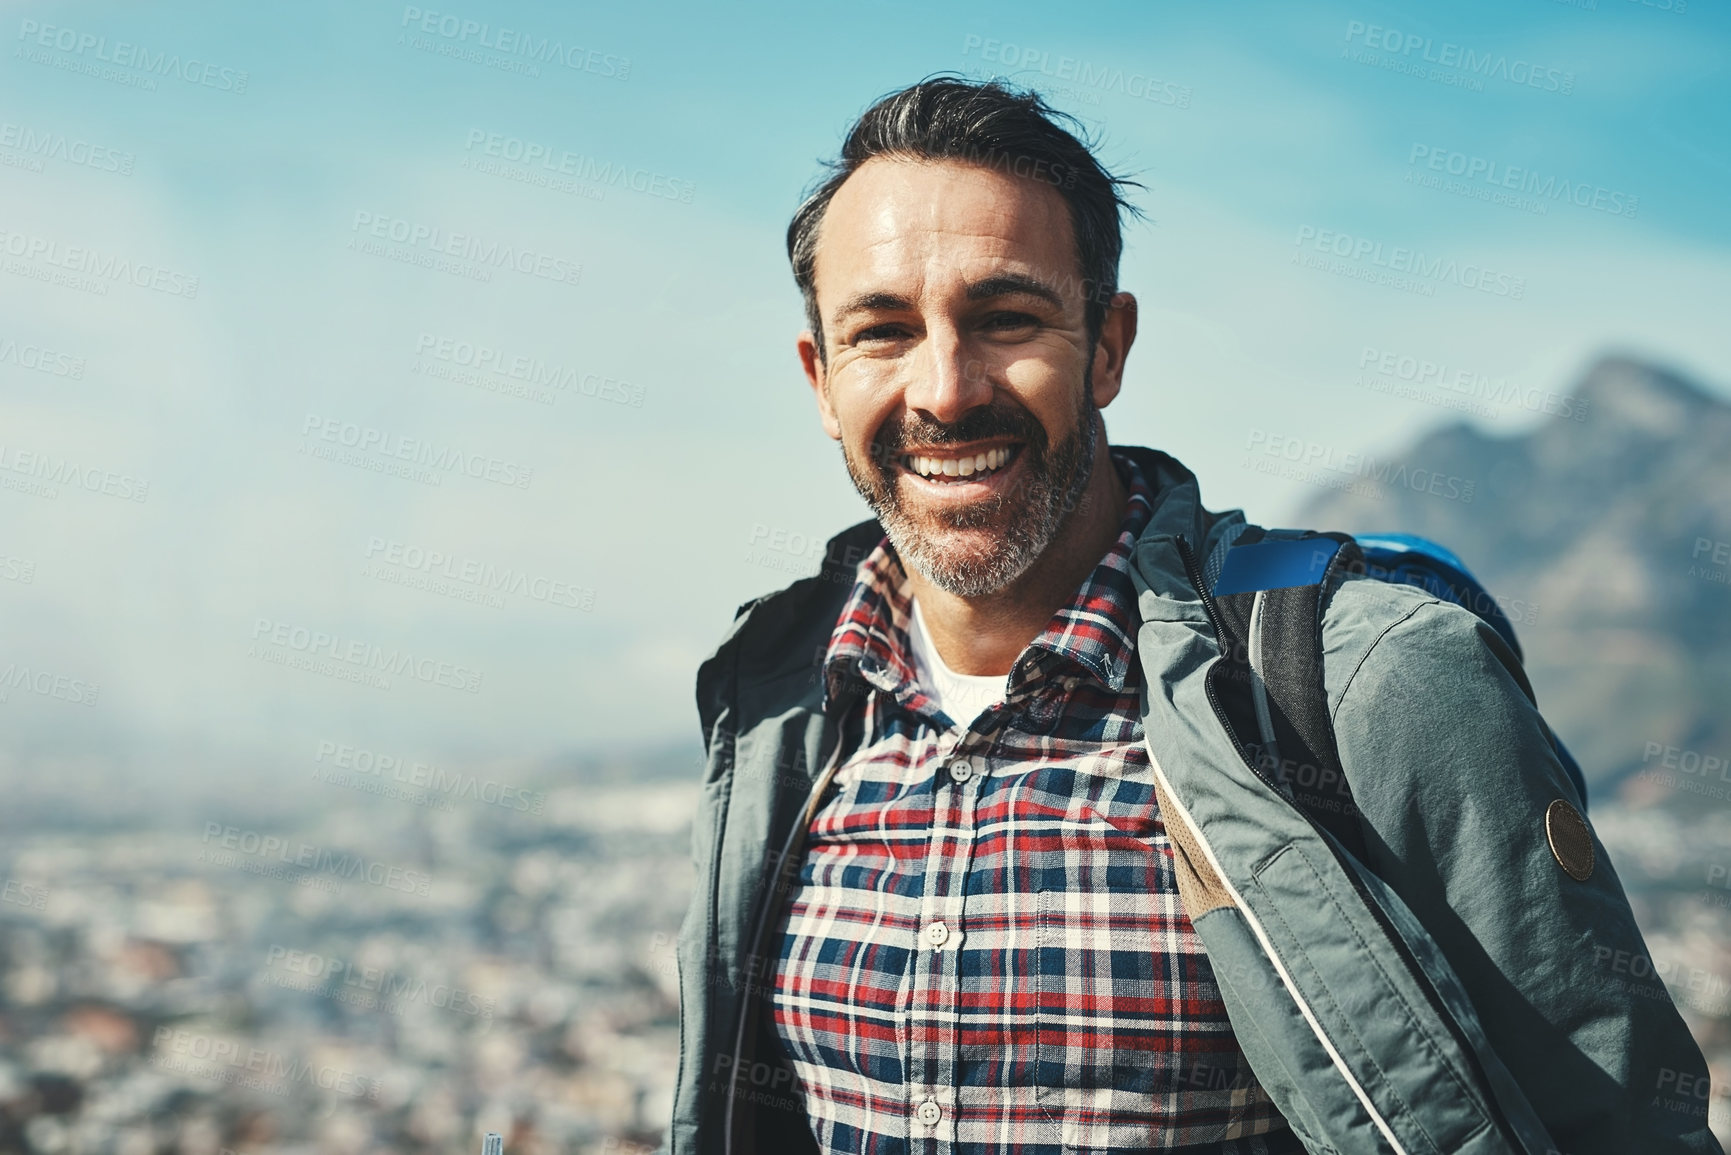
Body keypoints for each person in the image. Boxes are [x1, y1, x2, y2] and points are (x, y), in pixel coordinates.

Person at [667, 76, 1720, 1155]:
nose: (945, 389)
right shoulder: (777, 713)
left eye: (1006, 319)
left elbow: (1626, 1129)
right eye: (882, 331)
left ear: (1107, 345)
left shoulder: (1362, 683)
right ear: (821, 378)